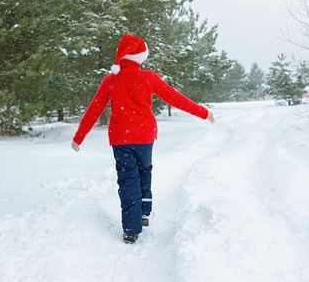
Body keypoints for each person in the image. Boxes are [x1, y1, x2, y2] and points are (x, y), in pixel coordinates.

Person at [71, 34, 215, 244]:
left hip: (121, 138)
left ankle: (131, 228)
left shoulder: (111, 80)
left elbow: (94, 109)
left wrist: (79, 137)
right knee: (144, 170)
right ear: (139, 57)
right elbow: (176, 98)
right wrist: (203, 112)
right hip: (144, 136)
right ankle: (144, 211)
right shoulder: (149, 77)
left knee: (128, 179)